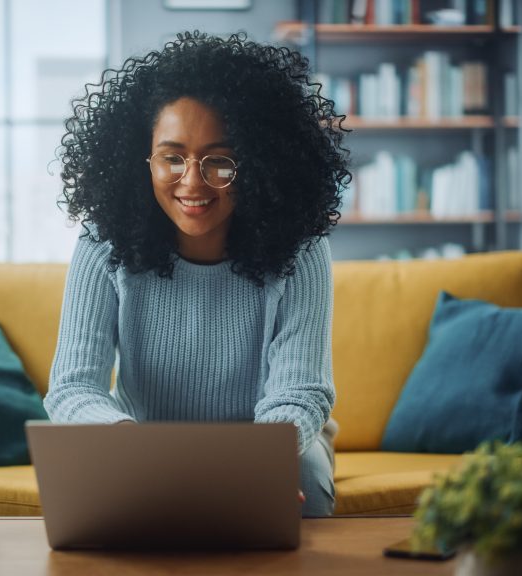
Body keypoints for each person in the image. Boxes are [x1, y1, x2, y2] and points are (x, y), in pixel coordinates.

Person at [45, 31, 350, 517]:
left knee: (305, 486)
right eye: (171, 157)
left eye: (220, 161)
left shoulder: (302, 247)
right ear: (141, 161)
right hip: (141, 445)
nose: (193, 181)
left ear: (260, 163)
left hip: (267, 443)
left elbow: (300, 391)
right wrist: (131, 447)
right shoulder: (103, 241)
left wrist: (251, 461)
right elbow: (73, 389)